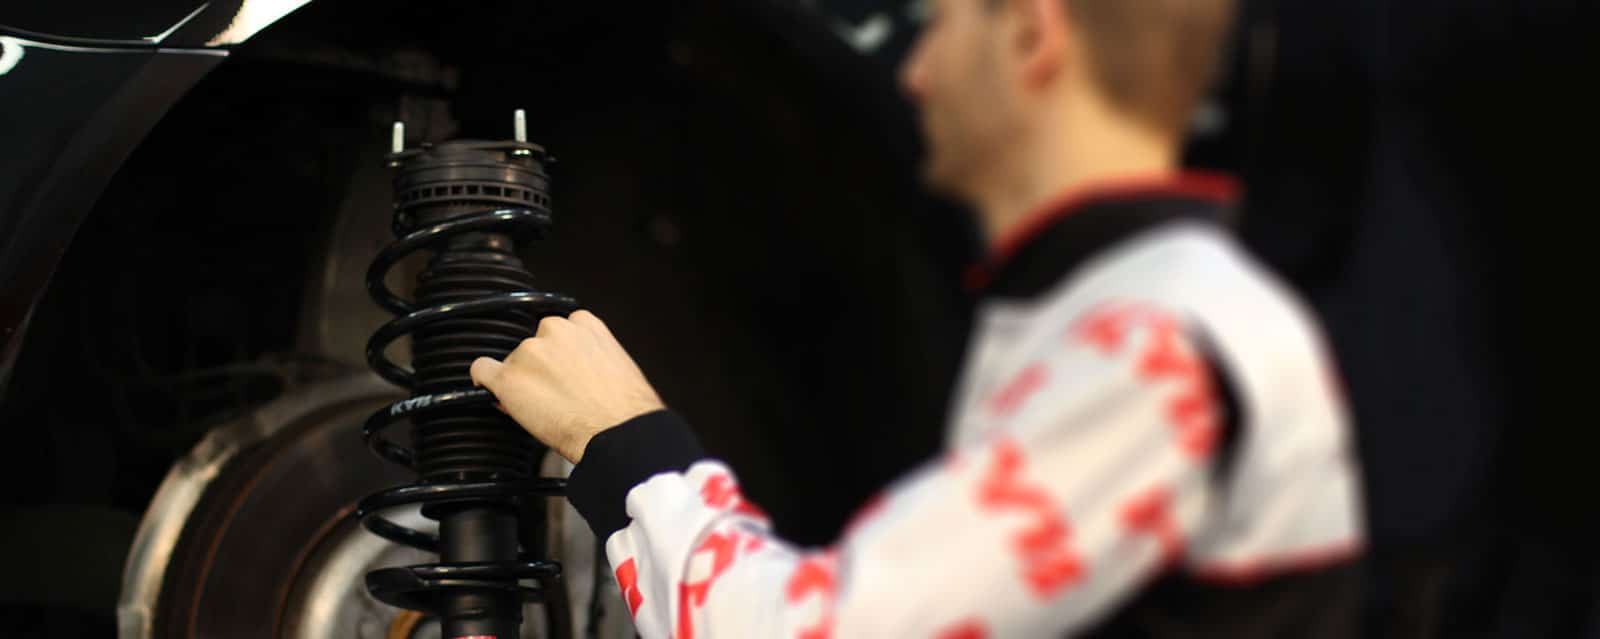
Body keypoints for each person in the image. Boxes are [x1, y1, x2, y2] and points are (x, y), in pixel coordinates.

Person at [469, 0, 1363, 635]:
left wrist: (625, 441)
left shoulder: (1158, 339)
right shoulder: (1144, 306)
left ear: (1031, 35)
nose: (917, 72)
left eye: (940, 24)